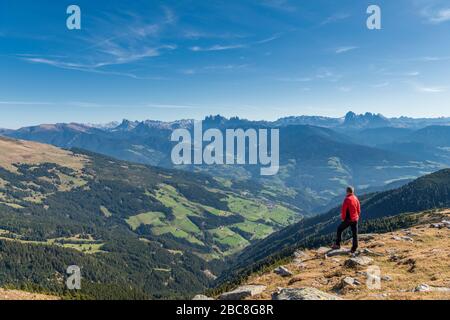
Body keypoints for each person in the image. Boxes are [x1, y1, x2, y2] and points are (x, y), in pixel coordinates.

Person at [332, 186, 361, 253]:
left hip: (349, 219)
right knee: (355, 234)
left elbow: (344, 210)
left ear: (347, 192)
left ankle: (337, 244)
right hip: (355, 219)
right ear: (352, 191)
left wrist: (343, 219)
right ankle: (354, 248)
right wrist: (357, 216)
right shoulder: (355, 198)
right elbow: (358, 209)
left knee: (339, 229)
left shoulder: (347, 199)